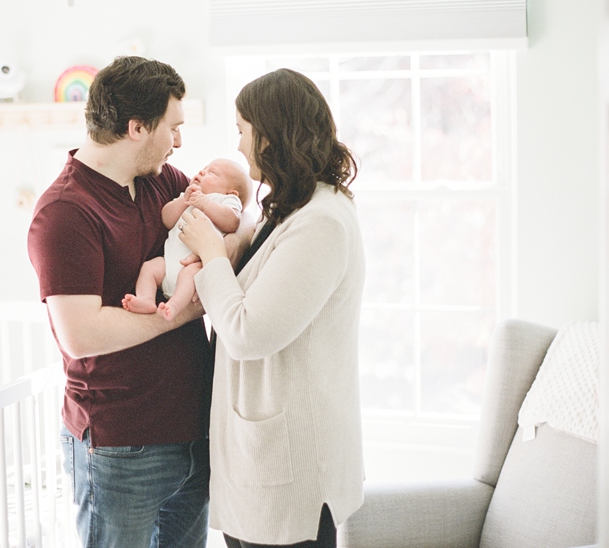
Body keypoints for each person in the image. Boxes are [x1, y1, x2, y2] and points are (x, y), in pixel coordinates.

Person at [27, 56, 252, 548]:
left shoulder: (165, 182)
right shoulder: (66, 212)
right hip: (122, 447)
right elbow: (81, 333)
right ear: (136, 127)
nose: (179, 142)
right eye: (173, 128)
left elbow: (228, 232)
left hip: (193, 433)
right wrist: (189, 309)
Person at [178, 68, 366, 548]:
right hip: (263, 458)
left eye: (242, 131)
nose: (238, 147)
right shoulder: (292, 207)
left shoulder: (321, 223)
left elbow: (247, 332)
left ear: (271, 136)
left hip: (291, 463)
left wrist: (212, 252)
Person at [123, 158, 252, 321]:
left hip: (191, 265)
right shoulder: (188, 195)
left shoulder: (225, 200)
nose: (202, 172)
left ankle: (174, 306)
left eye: (212, 172)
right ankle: (146, 300)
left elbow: (233, 221)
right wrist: (183, 201)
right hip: (168, 264)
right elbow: (167, 220)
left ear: (231, 193)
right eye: (204, 168)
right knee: (149, 268)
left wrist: (204, 203)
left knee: (190, 274)